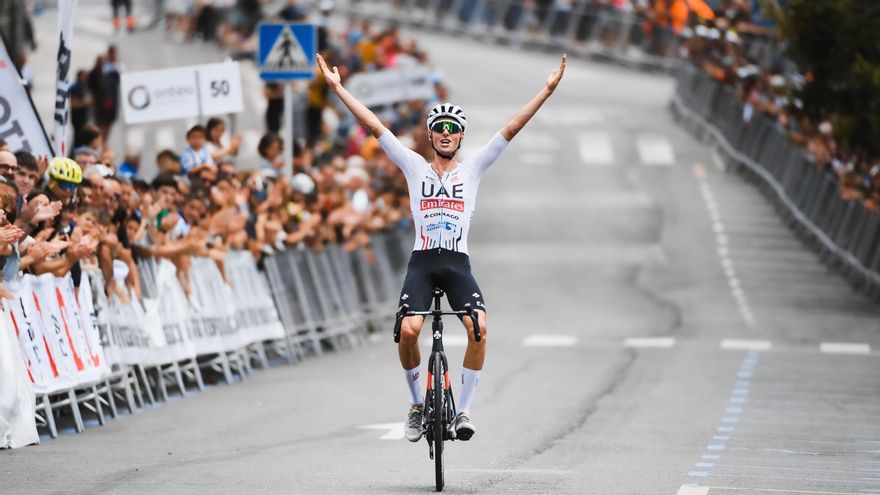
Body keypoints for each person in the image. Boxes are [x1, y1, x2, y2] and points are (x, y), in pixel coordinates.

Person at [317, 52, 566, 442]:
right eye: (440, 128)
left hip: (456, 264)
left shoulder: (474, 168)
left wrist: (546, 91)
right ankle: (417, 404)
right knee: (408, 331)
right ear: (431, 135)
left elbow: (511, 128)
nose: (446, 133)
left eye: (453, 128)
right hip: (422, 262)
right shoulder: (414, 166)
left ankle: (463, 411)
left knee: (479, 329)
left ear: (461, 136)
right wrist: (339, 89)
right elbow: (374, 125)